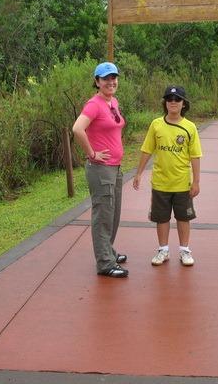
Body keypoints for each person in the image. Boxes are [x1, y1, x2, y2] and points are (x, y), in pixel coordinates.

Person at [133, 85, 202, 266]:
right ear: (165, 103)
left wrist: (196, 182)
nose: (173, 102)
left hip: (182, 184)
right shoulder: (156, 124)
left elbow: (195, 156)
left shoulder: (190, 127)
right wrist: (139, 173)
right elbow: (147, 150)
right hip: (160, 183)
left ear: (183, 104)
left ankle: (184, 250)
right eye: (169, 99)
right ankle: (163, 249)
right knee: (161, 218)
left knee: (183, 217)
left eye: (177, 99)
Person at [72, 62, 128, 278]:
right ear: (97, 82)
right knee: (103, 214)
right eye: (105, 78)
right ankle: (105, 262)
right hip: (101, 169)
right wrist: (92, 153)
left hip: (114, 167)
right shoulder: (94, 104)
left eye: (114, 77)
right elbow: (78, 128)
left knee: (113, 214)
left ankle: (109, 252)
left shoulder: (113, 101)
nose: (111, 82)